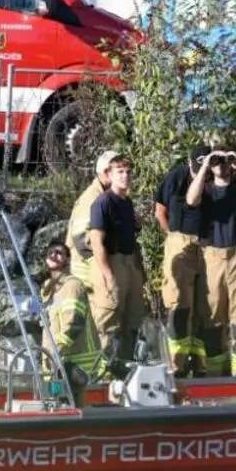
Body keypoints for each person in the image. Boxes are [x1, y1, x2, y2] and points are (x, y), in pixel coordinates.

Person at [185, 146, 236, 377]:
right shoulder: (205, 189)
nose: (221, 165)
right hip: (212, 257)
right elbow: (191, 200)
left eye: (224, 161)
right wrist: (205, 165)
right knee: (212, 315)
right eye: (217, 161)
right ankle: (216, 376)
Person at [153, 143, 212, 375]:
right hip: (180, 241)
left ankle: (200, 365)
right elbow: (160, 211)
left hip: (207, 246)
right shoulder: (176, 178)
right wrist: (172, 236)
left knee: (205, 307)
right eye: (198, 168)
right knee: (179, 304)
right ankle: (176, 366)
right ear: (189, 163)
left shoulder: (216, 178)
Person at [88, 153, 147, 362]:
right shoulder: (103, 202)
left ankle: (125, 366)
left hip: (129, 263)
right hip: (111, 263)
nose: (125, 176)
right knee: (108, 321)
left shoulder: (126, 202)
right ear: (109, 175)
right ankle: (104, 371)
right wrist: (108, 276)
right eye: (120, 172)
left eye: (128, 172)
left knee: (132, 319)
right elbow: (96, 242)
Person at [39, 239, 103, 393]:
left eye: (59, 253)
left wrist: (55, 351)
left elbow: (74, 324)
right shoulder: (48, 291)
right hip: (58, 366)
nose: (53, 255)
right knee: (55, 402)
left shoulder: (73, 286)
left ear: (67, 260)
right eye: (50, 253)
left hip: (78, 368)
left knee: (74, 404)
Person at [67, 150, 117, 290]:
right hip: (87, 278)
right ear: (106, 173)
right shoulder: (92, 198)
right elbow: (81, 239)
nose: (125, 176)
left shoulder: (107, 196)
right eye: (119, 171)